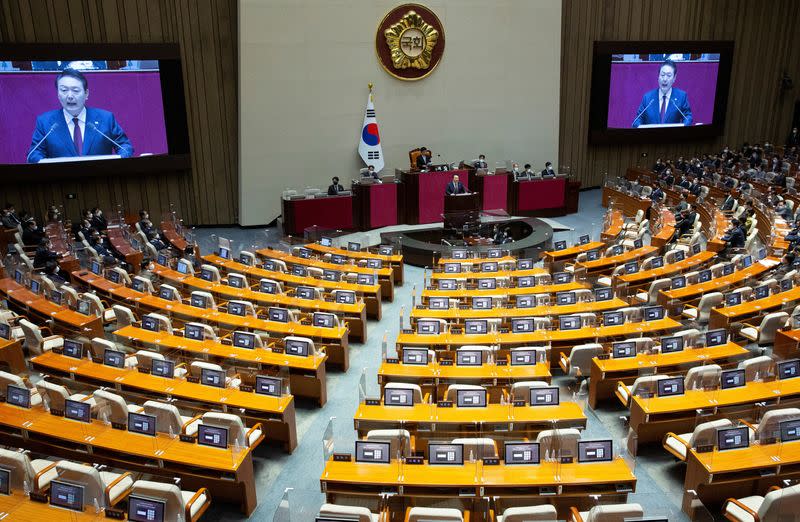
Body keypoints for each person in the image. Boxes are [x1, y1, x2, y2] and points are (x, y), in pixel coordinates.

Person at [27, 68, 134, 163]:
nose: (69, 96)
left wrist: (116, 162)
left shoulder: (106, 118)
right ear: (58, 94)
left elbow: (125, 147)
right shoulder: (45, 122)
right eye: (64, 90)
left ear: (86, 94)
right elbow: (34, 154)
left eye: (75, 90)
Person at [631, 60, 693, 127]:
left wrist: (685, 125)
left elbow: (688, 117)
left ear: (674, 78)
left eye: (669, 76)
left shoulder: (681, 96)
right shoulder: (647, 98)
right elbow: (637, 120)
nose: (665, 79)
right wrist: (638, 125)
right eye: (662, 75)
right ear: (658, 76)